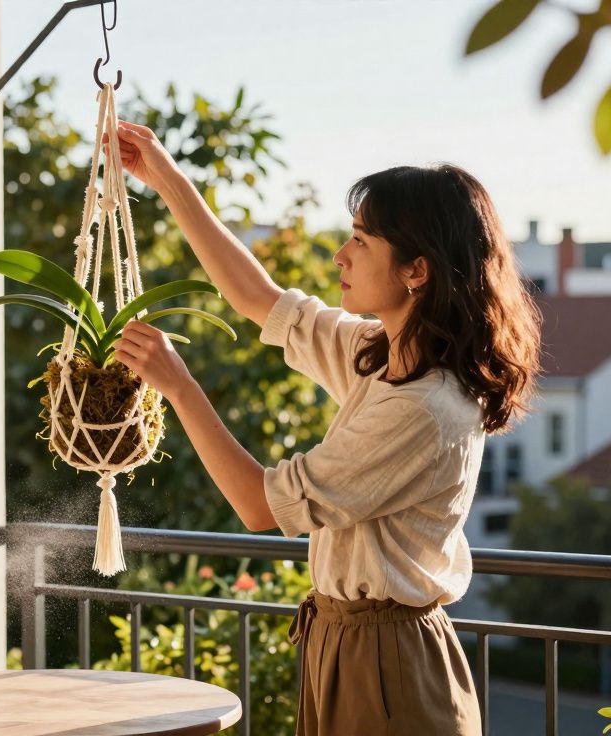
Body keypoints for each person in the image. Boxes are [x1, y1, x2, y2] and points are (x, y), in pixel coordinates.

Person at [108, 119, 542, 736]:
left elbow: (260, 507)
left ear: (416, 270)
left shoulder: (423, 409)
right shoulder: (381, 357)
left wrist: (178, 386)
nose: (340, 254)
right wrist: (164, 177)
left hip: (389, 662)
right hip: (342, 640)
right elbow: (259, 298)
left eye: (361, 241)